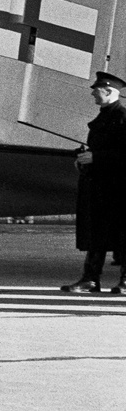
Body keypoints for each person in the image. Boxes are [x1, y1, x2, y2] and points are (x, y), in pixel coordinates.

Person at [65, 73, 126, 293]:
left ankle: (125, 281)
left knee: (122, 233)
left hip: (119, 188)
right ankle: (90, 279)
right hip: (100, 186)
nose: (92, 92)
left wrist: (97, 157)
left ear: (109, 91)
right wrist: (85, 160)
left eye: (96, 89)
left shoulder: (122, 117)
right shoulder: (105, 118)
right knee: (96, 234)